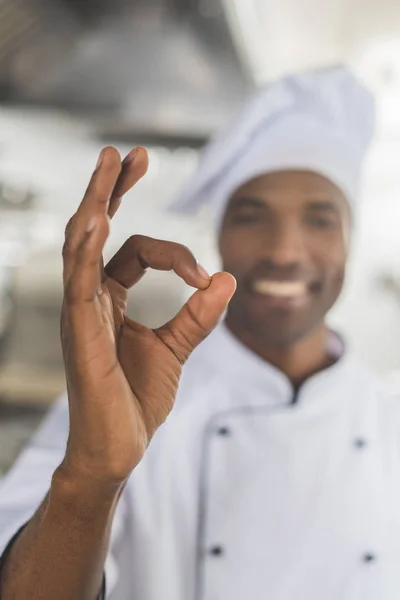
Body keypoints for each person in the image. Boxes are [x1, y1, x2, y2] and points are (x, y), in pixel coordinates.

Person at [0, 64, 399, 600]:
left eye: (320, 219)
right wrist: (93, 476)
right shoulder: (125, 392)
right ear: (220, 237)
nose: (284, 251)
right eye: (252, 216)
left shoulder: (388, 422)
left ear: (350, 239)